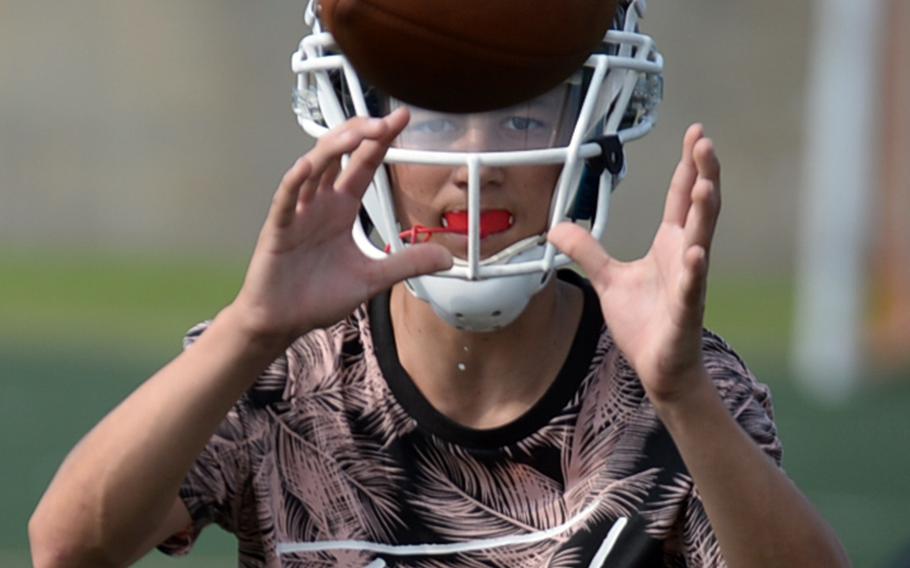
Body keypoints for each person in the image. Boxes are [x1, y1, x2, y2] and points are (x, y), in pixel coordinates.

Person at [29, 1, 850, 566]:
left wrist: (683, 398)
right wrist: (248, 331)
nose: (476, 166)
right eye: (432, 114)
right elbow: (68, 548)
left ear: (596, 128)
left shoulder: (679, 390)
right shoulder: (282, 369)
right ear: (356, 123)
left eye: (526, 112)